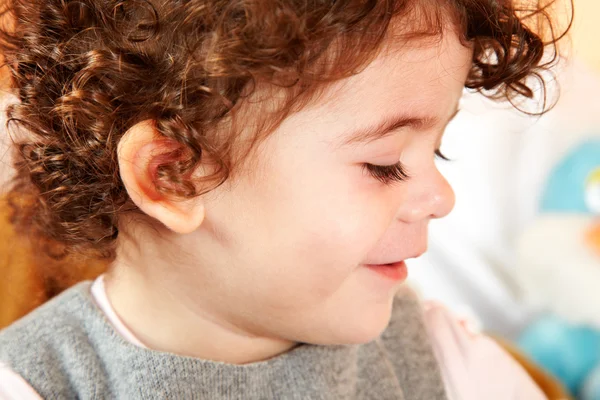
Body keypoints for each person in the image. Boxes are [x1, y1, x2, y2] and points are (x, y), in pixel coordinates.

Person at [0, 0, 568, 398]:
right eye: (384, 163)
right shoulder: (31, 382)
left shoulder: (450, 367)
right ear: (173, 176)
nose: (440, 198)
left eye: (437, 151)